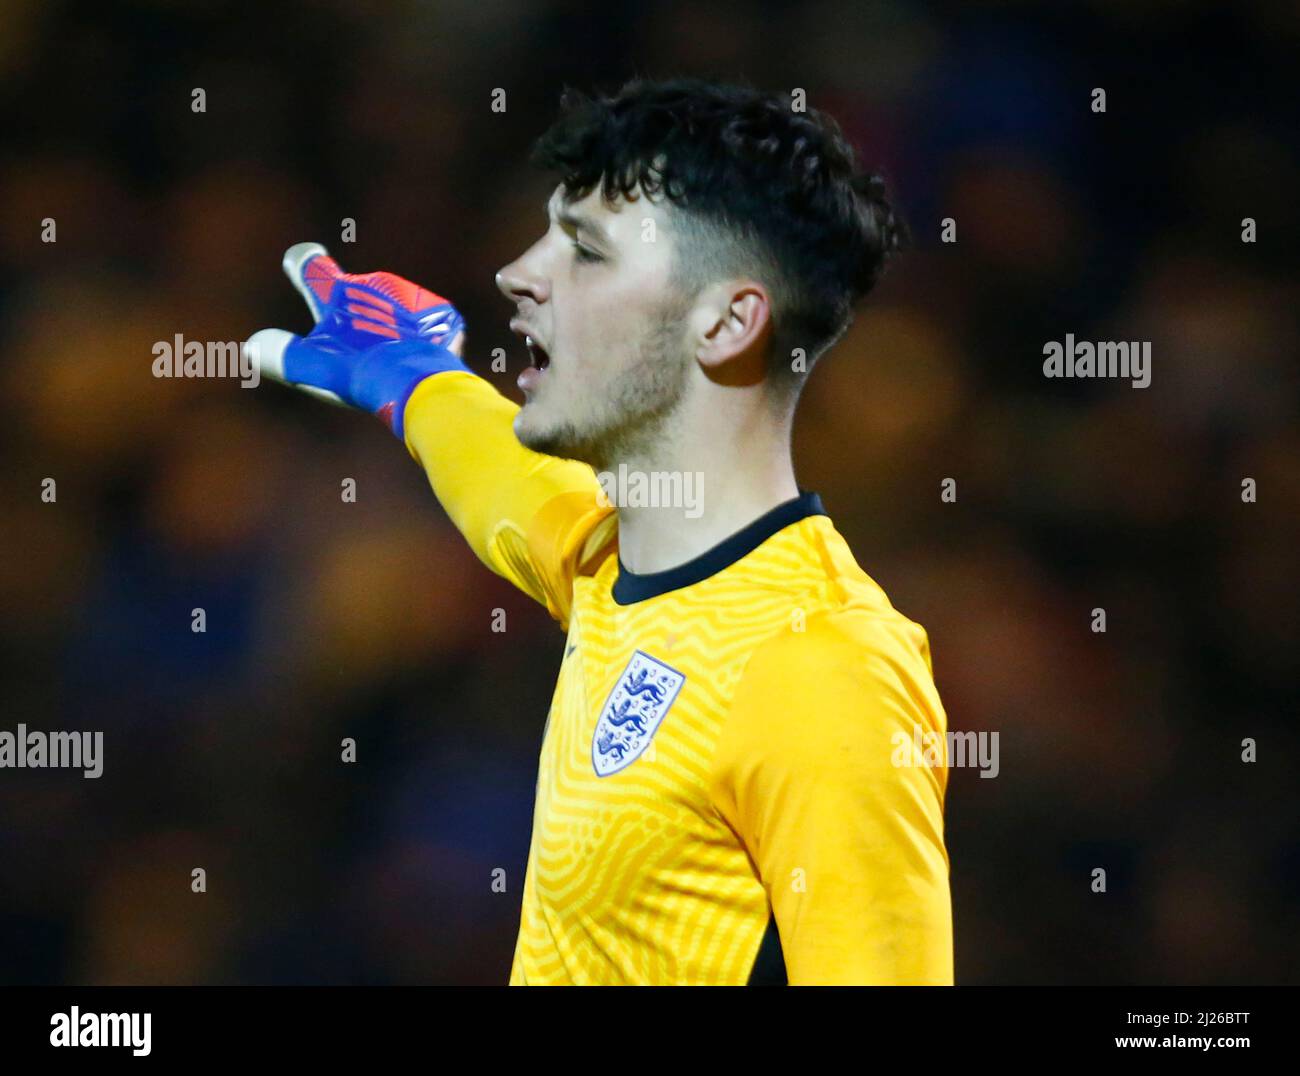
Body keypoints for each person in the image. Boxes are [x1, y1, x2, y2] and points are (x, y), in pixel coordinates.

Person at [246, 76, 953, 985]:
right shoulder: (618, 561)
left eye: (583, 251)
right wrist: (411, 376)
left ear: (729, 320)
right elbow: (514, 489)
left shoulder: (821, 667)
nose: (517, 274)